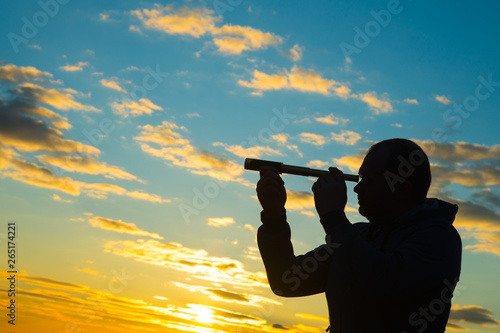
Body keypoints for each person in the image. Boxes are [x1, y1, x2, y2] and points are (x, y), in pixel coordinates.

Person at [256, 138, 462, 332]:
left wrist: (333, 217)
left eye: (368, 181)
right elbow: (287, 281)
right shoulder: (357, 235)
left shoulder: (439, 238)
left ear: (401, 188)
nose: (356, 188)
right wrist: (274, 217)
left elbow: (382, 281)